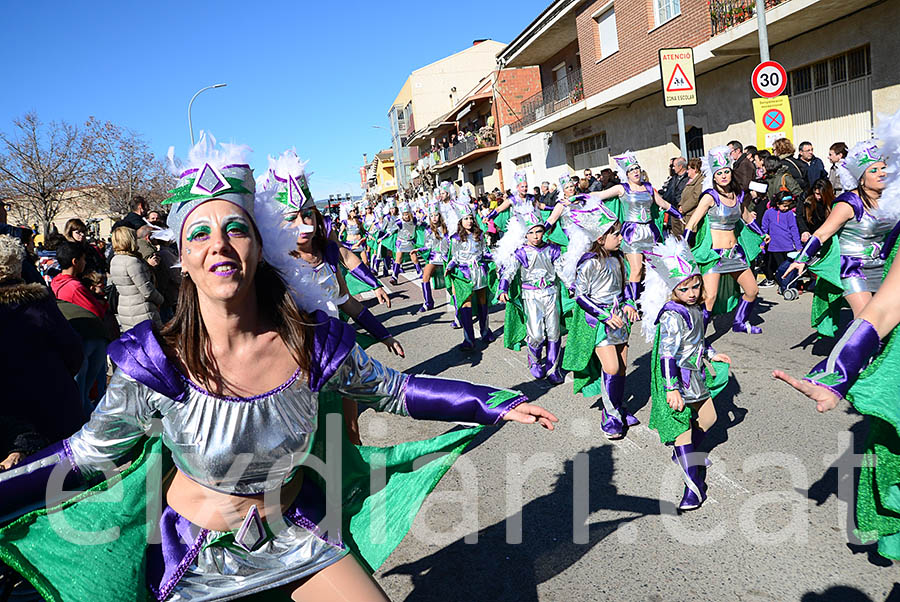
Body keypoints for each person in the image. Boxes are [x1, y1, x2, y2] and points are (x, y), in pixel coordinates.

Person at [0, 135, 557, 601]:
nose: (218, 243)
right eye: (199, 232)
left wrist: (495, 401)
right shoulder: (155, 361)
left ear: (260, 246)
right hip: (195, 559)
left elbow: (396, 392)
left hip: (294, 535)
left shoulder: (313, 343)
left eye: (235, 228)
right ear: (183, 259)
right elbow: (85, 455)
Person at [641, 237, 731, 511]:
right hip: (679, 377)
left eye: (695, 286)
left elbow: (697, 341)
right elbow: (668, 354)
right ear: (673, 288)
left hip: (696, 372)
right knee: (682, 429)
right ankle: (693, 489)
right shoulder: (671, 315)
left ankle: (686, 453)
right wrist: (671, 388)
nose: (692, 292)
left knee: (709, 417)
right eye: (684, 288)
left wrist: (712, 353)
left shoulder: (695, 308)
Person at [785, 140, 895, 316]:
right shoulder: (849, 203)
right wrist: (801, 259)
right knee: (866, 318)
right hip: (853, 267)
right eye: (874, 170)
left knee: (888, 321)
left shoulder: (892, 200)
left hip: (883, 266)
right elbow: (822, 234)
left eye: (883, 168)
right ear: (861, 179)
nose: (881, 174)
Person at [560, 204, 640, 439]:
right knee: (611, 367)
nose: (619, 237)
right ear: (600, 237)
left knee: (622, 368)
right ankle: (610, 414)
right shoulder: (589, 262)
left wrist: (630, 304)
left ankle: (616, 407)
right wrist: (605, 316)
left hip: (620, 320)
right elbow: (580, 296)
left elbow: (625, 289)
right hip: (599, 323)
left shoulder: (618, 259)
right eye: (615, 234)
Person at [0, 234, 86, 446]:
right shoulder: (39, 303)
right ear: (19, 269)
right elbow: (73, 351)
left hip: (13, 416)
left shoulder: (37, 302)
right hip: (55, 407)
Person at [578, 152, 683, 309]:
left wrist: (679, 214)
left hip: (650, 231)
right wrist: (578, 198)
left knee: (654, 268)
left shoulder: (648, 187)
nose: (636, 172)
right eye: (632, 170)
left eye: (637, 168)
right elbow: (600, 194)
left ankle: (652, 302)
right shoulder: (622, 188)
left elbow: (663, 203)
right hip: (632, 233)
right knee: (637, 269)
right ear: (626, 174)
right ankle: (632, 304)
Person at [684, 146, 766, 334]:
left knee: (752, 290)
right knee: (710, 297)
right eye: (719, 173)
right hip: (715, 255)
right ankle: (699, 339)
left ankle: (739, 322)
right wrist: (683, 246)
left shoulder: (736, 196)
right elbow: (693, 222)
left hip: (735, 254)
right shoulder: (710, 197)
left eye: (726, 172)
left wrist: (762, 234)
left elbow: (748, 219)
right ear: (713, 176)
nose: (723, 176)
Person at [497, 212, 565, 384]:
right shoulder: (520, 253)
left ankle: (552, 367)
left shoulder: (553, 250)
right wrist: (502, 288)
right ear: (525, 235)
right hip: (531, 295)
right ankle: (534, 360)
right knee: (535, 334)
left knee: (554, 331)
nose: (536, 236)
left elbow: (562, 271)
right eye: (531, 233)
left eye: (539, 232)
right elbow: (509, 271)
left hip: (551, 294)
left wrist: (572, 286)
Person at [446, 203, 497, 350]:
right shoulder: (455, 238)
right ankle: (469, 339)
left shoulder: (479, 234)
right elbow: (454, 257)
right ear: (460, 221)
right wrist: (449, 267)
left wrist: (497, 257)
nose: (469, 221)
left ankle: (485, 332)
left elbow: (484, 252)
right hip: (464, 274)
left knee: (482, 301)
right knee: (465, 303)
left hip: (479, 272)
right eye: (466, 218)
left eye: (471, 218)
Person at [108, 226, 163, 330]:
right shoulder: (132, 262)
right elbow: (146, 290)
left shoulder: (115, 260)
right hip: (141, 310)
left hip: (125, 308)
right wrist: (160, 299)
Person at [50, 241, 107, 319]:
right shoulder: (75, 287)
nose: (85, 262)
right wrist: (102, 302)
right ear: (75, 261)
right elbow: (96, 313)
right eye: (83, 259)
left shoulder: (56, 280)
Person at [760, 191, 802, 286]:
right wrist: (762, 244)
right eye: (784, 206)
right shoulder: (768, 213)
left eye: (788, 206)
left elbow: (794, 230)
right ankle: (783, 285)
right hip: (774, 247)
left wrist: (798, 246)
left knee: (789, 267)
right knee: (780, 267)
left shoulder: (789, 214)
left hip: (788, 246)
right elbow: (764, 229)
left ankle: (790, 284)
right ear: (778, 203)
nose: (786, 208)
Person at [417, 204, 451, 313]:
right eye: (432, 216)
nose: (434, 217)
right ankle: (428, 302)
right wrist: (418, 250)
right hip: (434, 257)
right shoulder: (428, 230)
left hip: (446, 257)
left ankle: (457, 303)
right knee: (425, 276)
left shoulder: (447, 227)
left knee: (452, 281)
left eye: (436, 215)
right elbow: (427, 246)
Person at [673, 157, 705, 239]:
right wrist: (680, 206)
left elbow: (696, 197)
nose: (687, 171)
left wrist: (683, 208)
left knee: (692, 241)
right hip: (686, 215)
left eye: (689, 169)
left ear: (695, 169)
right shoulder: (691, 180)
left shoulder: (700, 180)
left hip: (692, 215)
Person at [796, 178, 834, 243]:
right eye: (817, 194)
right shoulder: (805, 198)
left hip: (826, 233)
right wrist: (804, 230)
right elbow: (799, 215)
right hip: (810, 230)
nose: (818, 197)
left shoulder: (832, 202)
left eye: (821, 195)